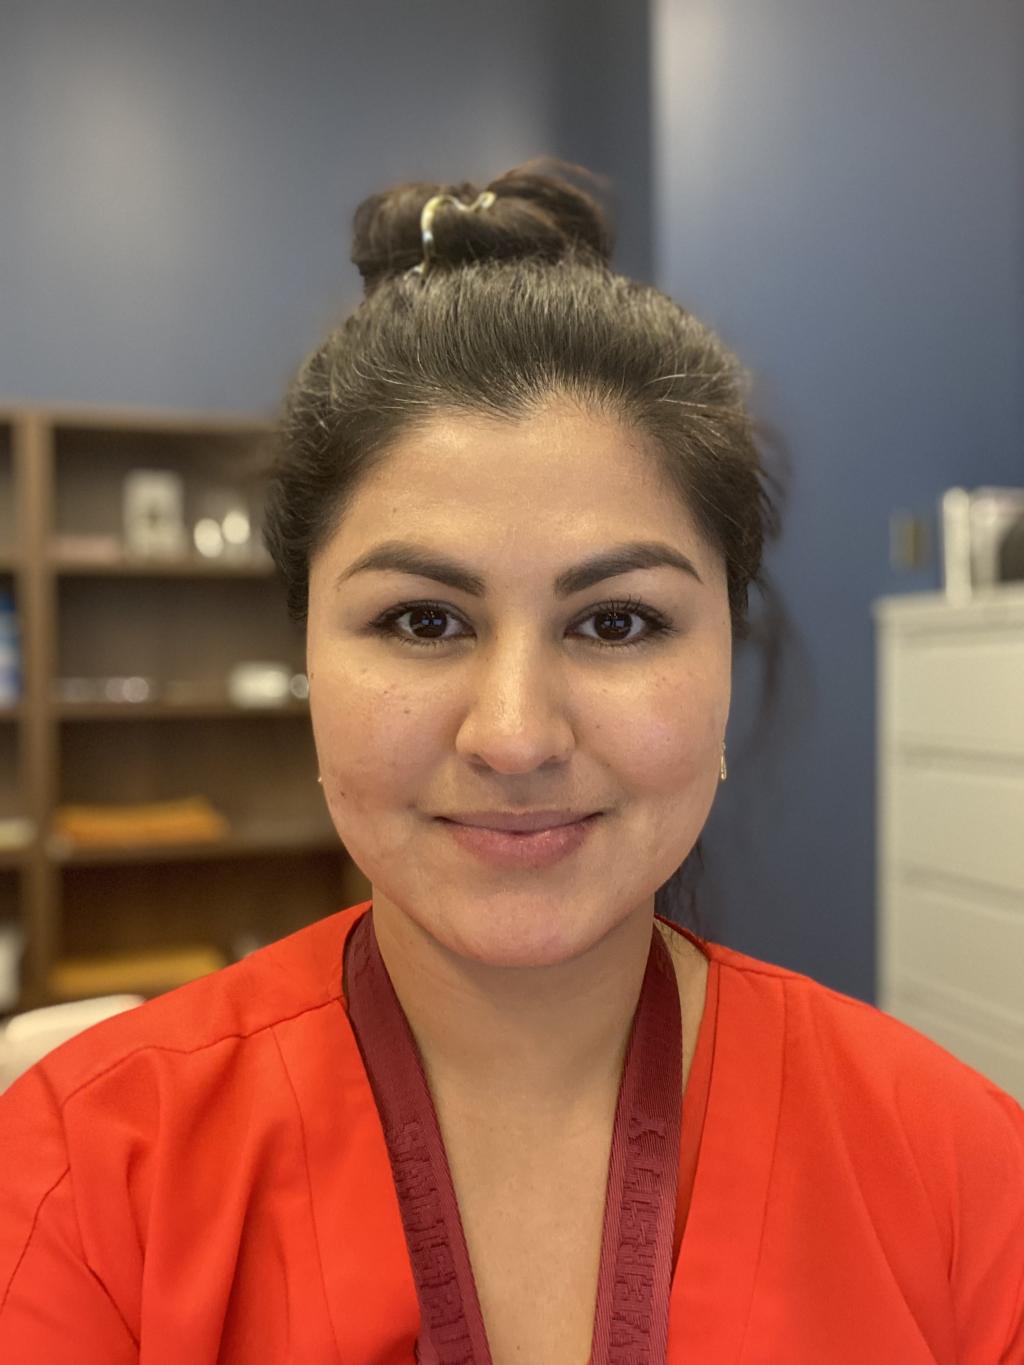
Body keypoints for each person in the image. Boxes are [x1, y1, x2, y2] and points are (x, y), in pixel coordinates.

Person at [1, 161, 1022, 1365]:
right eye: (423, 621)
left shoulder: (960, 1169)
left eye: (617, 621)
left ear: (726, 657)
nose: (515, 734)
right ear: (307, 651)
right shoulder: (86, 1170)